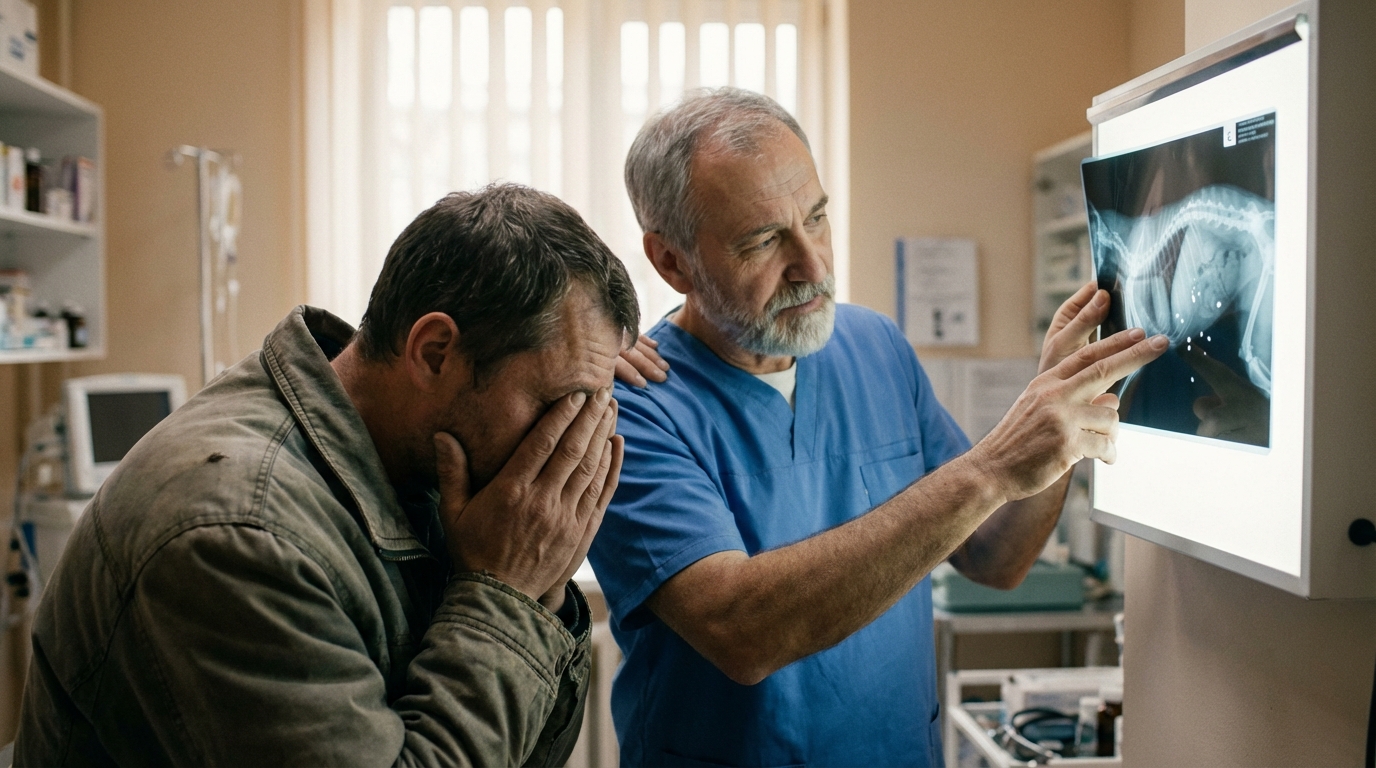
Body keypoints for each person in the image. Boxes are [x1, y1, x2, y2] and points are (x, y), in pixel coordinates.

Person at [591, 88, 1167, 767]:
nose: (812, 265)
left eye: (817, 218)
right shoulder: (633, 409)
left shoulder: (875, 348)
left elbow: (996, 558)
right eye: (764, 240)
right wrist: (989, 469)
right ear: (671, 261)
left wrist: (1058, 426)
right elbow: (742, 631)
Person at [15, 184, 640, 766]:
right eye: (560, 402)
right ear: (434, 353)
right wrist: (506, 596)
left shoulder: (428, 465)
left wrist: (543, 588)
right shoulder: (234, 533)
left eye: (595, 407)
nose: (578, 440)